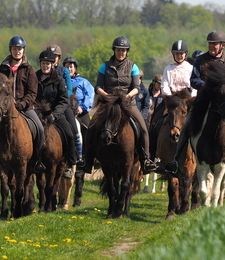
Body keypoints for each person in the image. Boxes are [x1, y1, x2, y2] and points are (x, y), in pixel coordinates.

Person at [165, 30, 225, 178]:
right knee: (185, 128)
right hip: (203, 103)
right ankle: (177, 161)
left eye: (214, 44)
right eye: (210, 43)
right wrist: (210, 87)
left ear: (223, 45)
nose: (211, 46)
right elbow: (194, 80)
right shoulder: (200, 60)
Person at [0, 35, 45, 174]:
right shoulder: (3, 67)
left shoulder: (28, 69)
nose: (17, 51)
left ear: (23, 50)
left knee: (40, 129)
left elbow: (32, 92)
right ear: (10, 50)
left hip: (25, 108)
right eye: (14, 49)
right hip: (5, 108)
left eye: (20, 49)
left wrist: (22, 104)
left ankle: (37, 161)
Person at [94, 36, 159, 174]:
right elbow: (98, 87)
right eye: (118, 50)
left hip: (128, 103)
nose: (121, 53)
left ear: (127, 51)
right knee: (93, 125)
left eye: (123, 50)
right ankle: (88, 159)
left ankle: (146, 159)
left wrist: (127, 96)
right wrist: (106, 96)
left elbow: (137, 87)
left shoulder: (133, 66)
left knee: (143, 128)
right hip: (108, 104)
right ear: (114, 50)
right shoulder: (104, 66)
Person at [36, 49, 78, 179]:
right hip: (37, 114)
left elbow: (63, 100)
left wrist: (54, 114)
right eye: (43, 63)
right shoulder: (34, 78)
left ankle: (69, 165)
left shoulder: (59, 80)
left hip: (55, 114)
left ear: (52, 64)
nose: (45, 66)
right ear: (40, 64)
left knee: (70, 134)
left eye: (48, 64)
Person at [47, 44, 83, 167]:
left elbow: (69, 90)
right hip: (46, 106)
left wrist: (58, 96)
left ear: (59, 58)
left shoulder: (64, 71)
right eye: (51, 56)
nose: (53, 58)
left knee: (74, 128)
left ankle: (76, 158)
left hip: (63, 104)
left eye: (55, 56)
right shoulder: (43, 70)